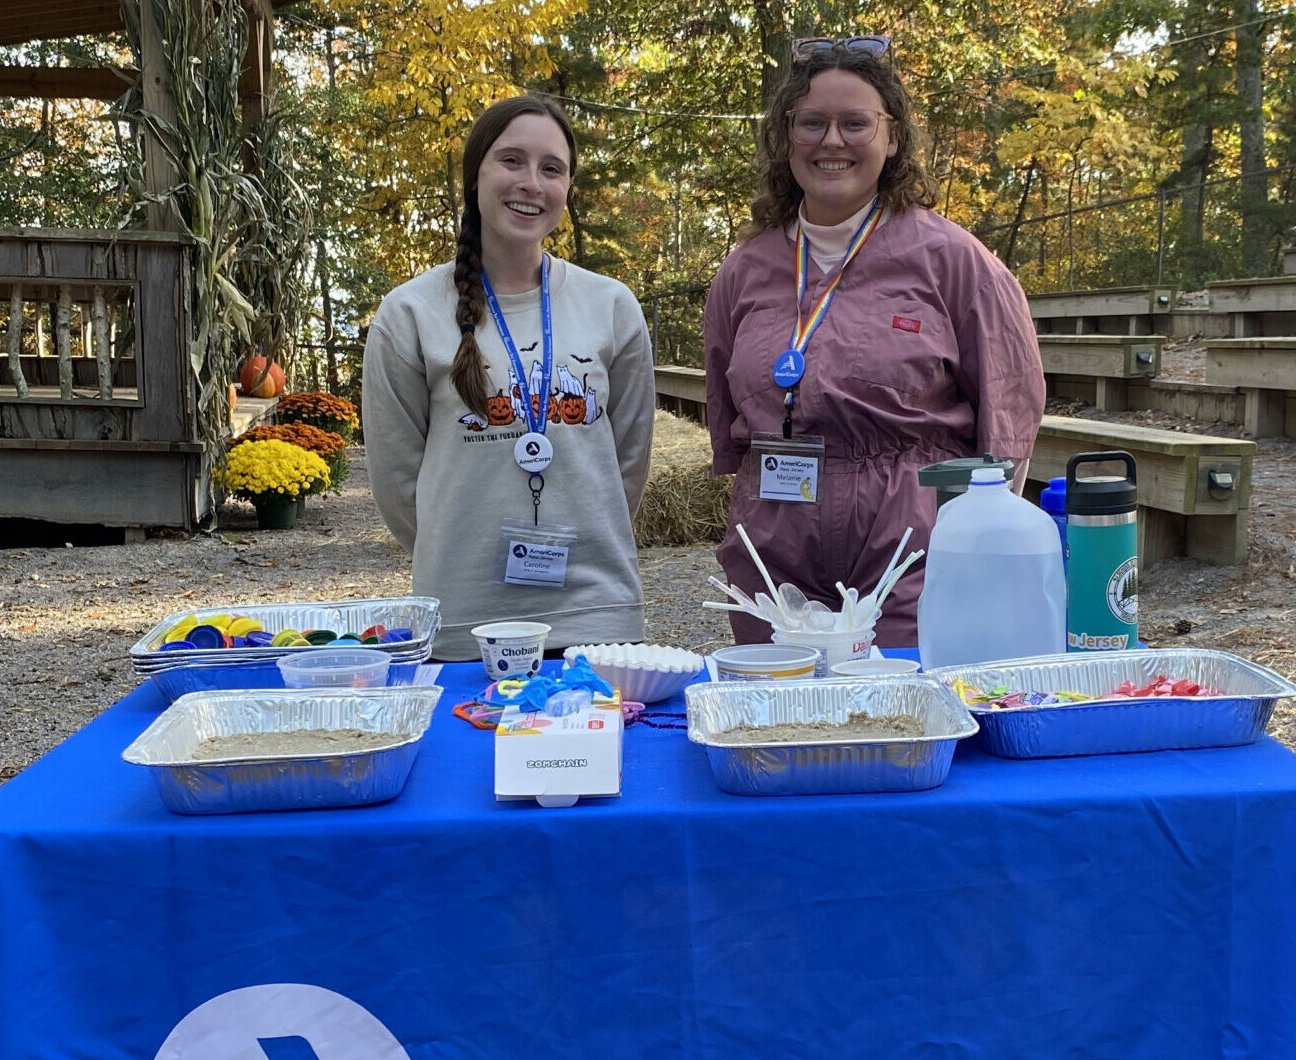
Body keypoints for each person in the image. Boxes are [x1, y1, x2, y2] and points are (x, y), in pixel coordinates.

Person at [704, 38, 1045, 645]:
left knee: (906, 718)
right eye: (812, 123)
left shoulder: (955, 262)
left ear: (892, 138)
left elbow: (1010, 420)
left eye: (855, 123)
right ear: (787, 139)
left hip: (910, 545)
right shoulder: (743, 272)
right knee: (778, 722)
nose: (831, 141)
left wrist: (975, 540)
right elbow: (729, 415)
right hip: (773, 546)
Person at [364, 96, 657, 662]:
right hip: (464, 620)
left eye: (552, 169)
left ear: (568, 188)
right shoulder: (409, 314)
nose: (532, 183)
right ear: (475, 174)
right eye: (512, 161)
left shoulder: (612, 307)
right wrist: (459, 543)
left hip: (595, 616)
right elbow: (399, 484)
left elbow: (626, 466)